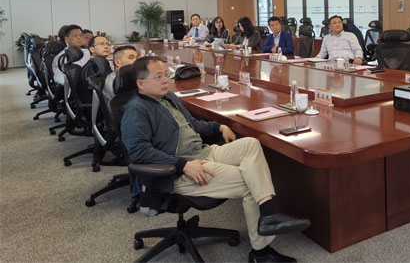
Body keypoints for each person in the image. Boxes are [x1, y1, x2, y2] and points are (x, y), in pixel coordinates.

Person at [121, 57, 310, 262]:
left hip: (202, 152)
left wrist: (219, 127)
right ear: (141, 83)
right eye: (158, 77)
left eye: (166, 74)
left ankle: (268, 213)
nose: (165, 80)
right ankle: (261, 253)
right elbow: (138, 151)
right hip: (179, 171)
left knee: (251, 144)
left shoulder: (169, 98)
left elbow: (193, 125)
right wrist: (182, 165)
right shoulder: (137, 109)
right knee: (251, 183)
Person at [77, 35, 113, 105]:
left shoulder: (100, 63)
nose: (106, 46)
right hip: (96, 106)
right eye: (101, 44)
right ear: (92, 49)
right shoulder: (94, 66)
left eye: (108, 44)